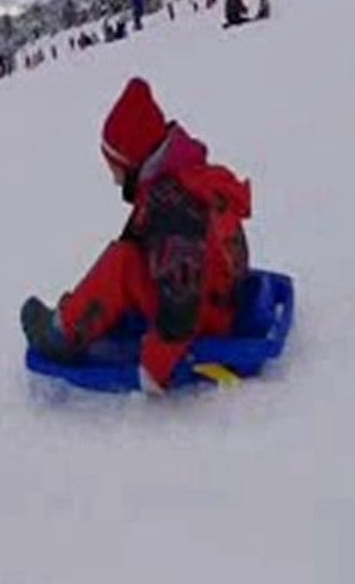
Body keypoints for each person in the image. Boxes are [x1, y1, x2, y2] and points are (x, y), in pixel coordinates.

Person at [21, 77, 252, 394]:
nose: (114, 178)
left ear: (133, 162)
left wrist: (156, 365)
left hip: (202, 317)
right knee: (130, 254)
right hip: (220, 296)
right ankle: (83, 309)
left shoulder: (170, 207)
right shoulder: (182, 178)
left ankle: (64, 334)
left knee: (121, 263)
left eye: (114, 167)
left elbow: (181, 302)